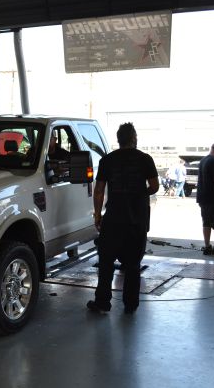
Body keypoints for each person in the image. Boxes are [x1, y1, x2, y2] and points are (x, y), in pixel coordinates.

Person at [88, 123, 159, 315]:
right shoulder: (145, 159)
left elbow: (99, 190)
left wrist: (97, 214)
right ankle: (130, 304)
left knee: (106, 263)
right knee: (133, 264)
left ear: (118, 140)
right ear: (134, 138)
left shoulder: (107, 160)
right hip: (137, 220)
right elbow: (154, 186)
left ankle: (102, 302)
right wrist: (139, 193)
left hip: (113, 219)